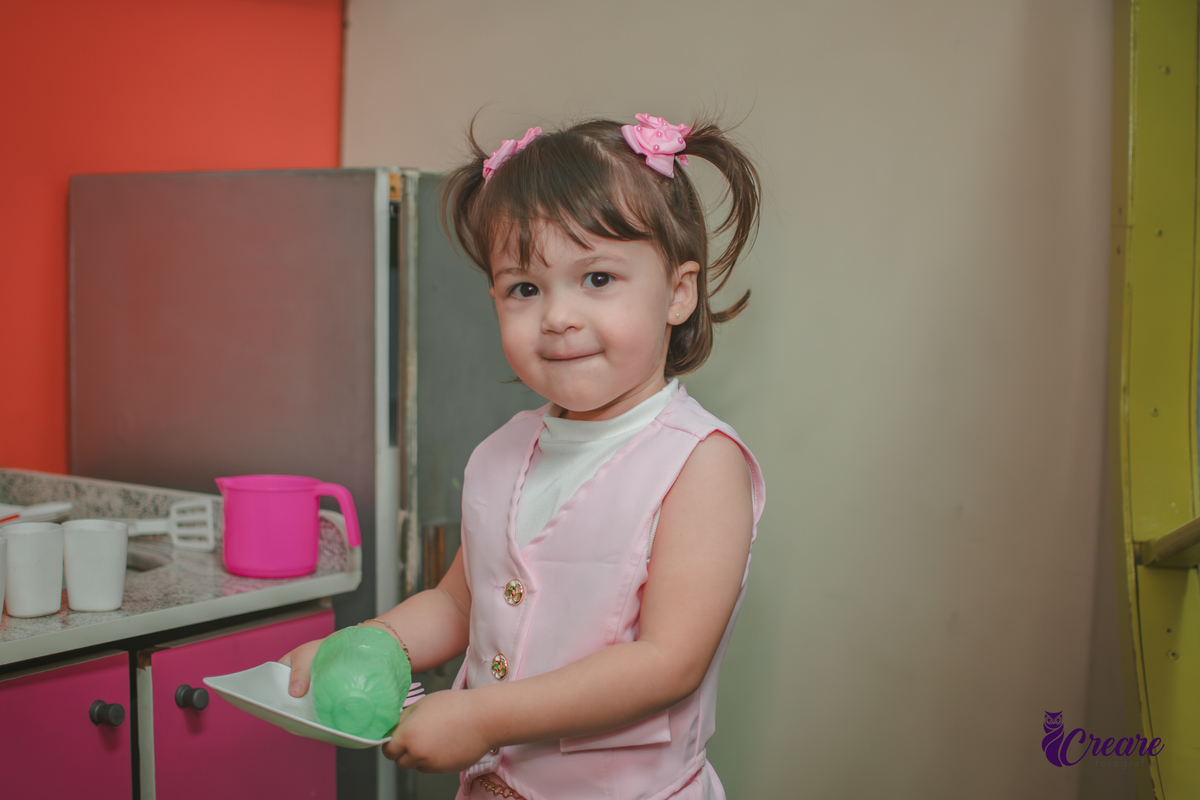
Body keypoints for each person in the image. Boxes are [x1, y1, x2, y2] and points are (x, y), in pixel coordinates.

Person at [281, 113, 766, 800]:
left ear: (679, 294)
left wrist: (481, 714)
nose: (558, 316)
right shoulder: (503, 452)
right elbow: (459, 604)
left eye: (597, 278)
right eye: (526, 289)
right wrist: (368, 645)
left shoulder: (700, 465)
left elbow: (667, 663)